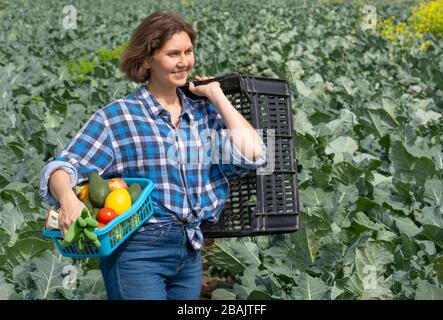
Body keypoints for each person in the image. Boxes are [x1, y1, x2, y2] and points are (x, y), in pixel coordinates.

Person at [39, 10, 266, 300]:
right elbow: (61, 166)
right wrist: (68, 198)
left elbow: (255, 154)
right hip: (138, 253)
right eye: (173, 54)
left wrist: (218, 96)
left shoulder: (203, 113)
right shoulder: (118, 117)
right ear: (147, 60)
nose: (184, 61)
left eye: (188, 51)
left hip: (190, 251)